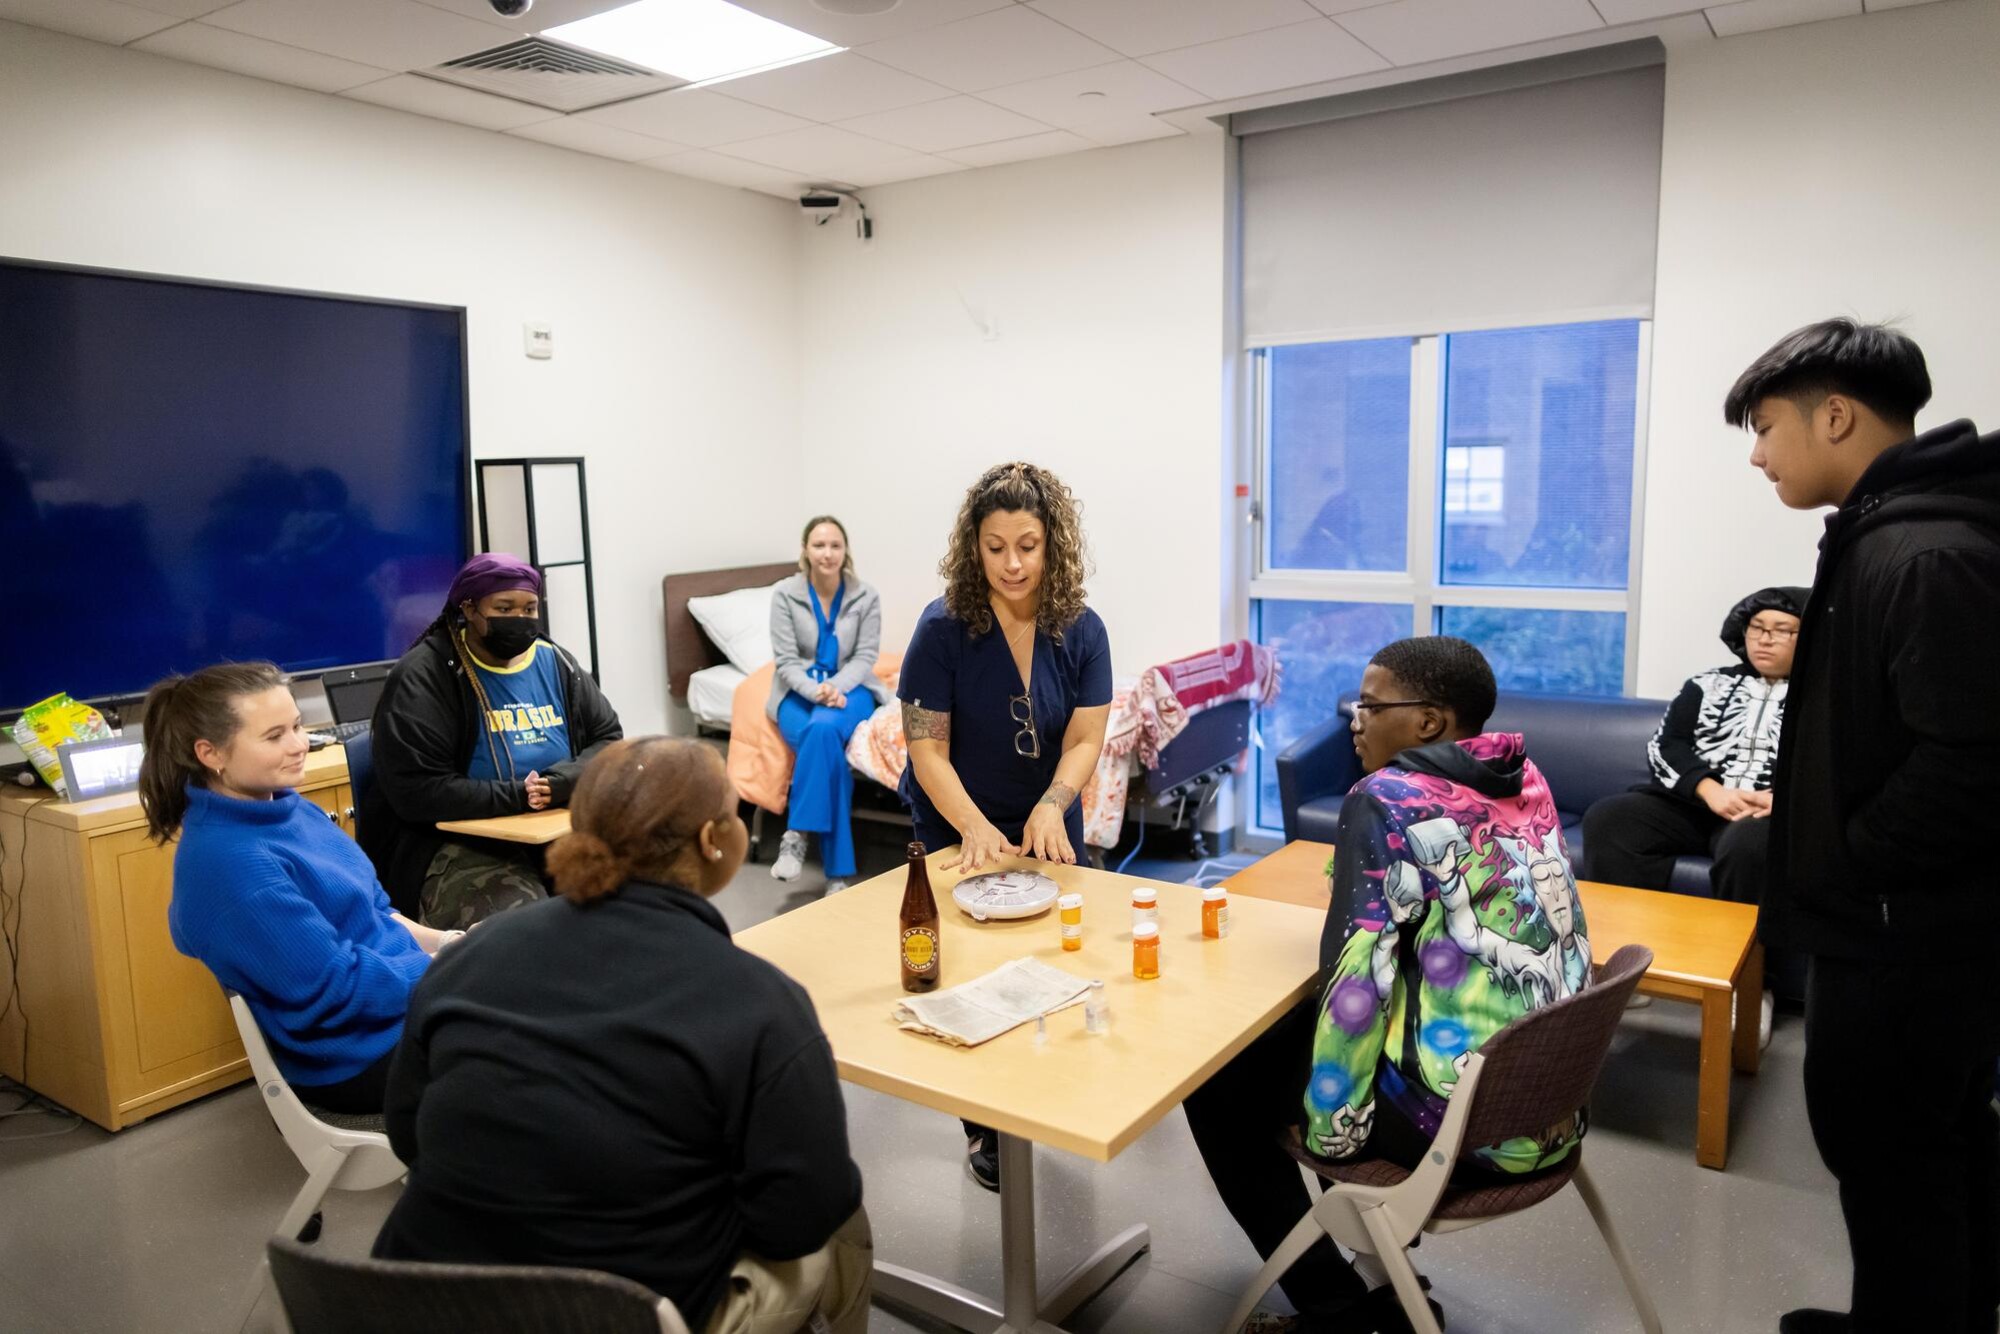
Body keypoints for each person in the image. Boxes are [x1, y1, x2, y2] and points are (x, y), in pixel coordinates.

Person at [373, 738, 871, 1334]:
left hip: (417, 1304)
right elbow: (801, 1218)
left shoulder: (473, 951)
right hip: (618, 1317)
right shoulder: (759, 1000)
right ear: (714, 843)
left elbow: (407, 1134)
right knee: (845, 1226)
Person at [1185, 637, 1590, 1334]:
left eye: (1371, 705)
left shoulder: (1386, 798)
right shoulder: (1523, 778)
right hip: (1543, 1105)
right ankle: (1379, 1266)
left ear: (1429, 721)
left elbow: (1358, 988)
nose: (1355, 719)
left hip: (1463, 1128)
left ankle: (1341, 1311)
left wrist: (1334, 1135)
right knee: (1290, 1040)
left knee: (1218, 1084)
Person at [1727, 319, 2000, 1334]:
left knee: (1894, 1160)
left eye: (1763, 427)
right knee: (1928, 1154)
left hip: (1902, 937)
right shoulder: (1888, 530)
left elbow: (1970, 762)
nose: (1757, 454)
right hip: (1897, 926)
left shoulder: (1925, 552)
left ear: (1833, 414)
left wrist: (1848, 864)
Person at [898, 461, 1113, 1191]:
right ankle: (984, 1127)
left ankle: (1043, 1096)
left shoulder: (1082, 630)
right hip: (956, 816)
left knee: (1052, 959)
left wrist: (1054, 801)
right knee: (970, 971)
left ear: (1054, 544)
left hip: (1049, 816)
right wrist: (973, 829)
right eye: (995, 547)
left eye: (1028, 545)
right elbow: (925, 747)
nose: (1013, 564)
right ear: (974, 548)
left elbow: (1085, 738)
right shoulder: (942, 629)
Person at [139, 661, 458, 1115]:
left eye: (297, 726)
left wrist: (448, 944)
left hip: (400, 1007)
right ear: (211, 754)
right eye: (274, 737)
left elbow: (376, 913)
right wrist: (448, 968)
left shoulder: (286, 806)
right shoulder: (231, 864)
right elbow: (338, 989)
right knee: (551, 1034)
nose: (299, 745)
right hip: (359, 1055)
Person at [359, 553, 623, 929]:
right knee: (524, 931)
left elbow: (609, 740)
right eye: (504, 607)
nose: (520, 618)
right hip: (456, 846)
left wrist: (560, 785)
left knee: (639, 904)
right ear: (469, 608)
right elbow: (418, 792)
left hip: (558, 832)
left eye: (529, 608)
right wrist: (521, 796)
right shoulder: (425, 675)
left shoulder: (557, 662)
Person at [767, 515, 886, 897]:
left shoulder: (865, 596)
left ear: (845, 550)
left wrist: (835, 688)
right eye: (819, 545)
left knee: (821, 731)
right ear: (805, 550)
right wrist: (816, 692)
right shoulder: (785, 594)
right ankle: (837, 875)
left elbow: (865, 656)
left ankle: (796, 834)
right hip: (797, 694)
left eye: (835, 545)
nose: (828, 553)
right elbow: (785, 662)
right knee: (826, 744)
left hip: (851, 689)